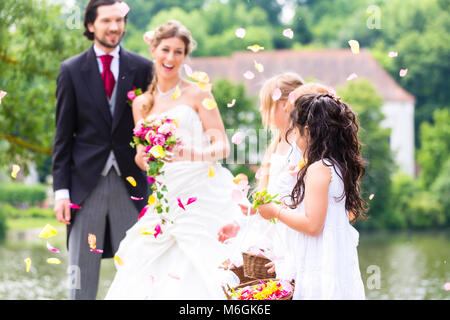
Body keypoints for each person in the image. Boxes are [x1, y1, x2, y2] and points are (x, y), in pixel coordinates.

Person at [104, 20, 242, 300]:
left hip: (203, 192)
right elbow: (142, 159)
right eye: (165, 49)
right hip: (166, 195)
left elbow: (223, 146)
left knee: (205, 266)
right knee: (143, 265)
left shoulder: (199, 94)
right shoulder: (143, 103)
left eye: (178, 52)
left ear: (185, 56)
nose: (171, 58)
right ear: (153, 49)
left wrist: (190, 154)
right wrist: (145, 157)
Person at [52, 0, 152, 300]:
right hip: (85, 185)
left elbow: (151, 128)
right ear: (90, 25)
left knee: (138, 269)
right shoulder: (70, 70)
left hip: (132, 182)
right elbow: (62, 136)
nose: (115, 27)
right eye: (107, 20)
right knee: (81, 277)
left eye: (119, 20)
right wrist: (61, 192)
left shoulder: (143, 68)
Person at [257, 92, 367, 299]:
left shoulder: (318, 168)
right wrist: (288, 262)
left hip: (321, 263)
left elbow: (312, 225)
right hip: (335, 259)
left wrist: (274, 211)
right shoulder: (339, 166)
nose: (295, 140)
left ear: (307, 131)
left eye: (296, 133)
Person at [217, 73, 304, 263]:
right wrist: (242, 221)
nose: (261, 109)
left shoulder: (300, 146)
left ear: (284, 105)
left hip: (292, 236)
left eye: (266, 104)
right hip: (275, 231)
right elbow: (271, 197)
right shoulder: (276, 144)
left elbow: (298, 199)